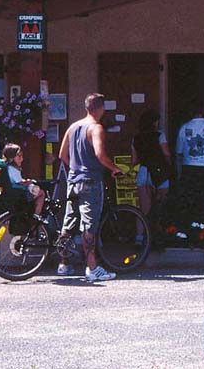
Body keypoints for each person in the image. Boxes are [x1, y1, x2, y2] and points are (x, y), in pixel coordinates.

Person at [57, 93, 124, 282]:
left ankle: (64, 264)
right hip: (90, 181)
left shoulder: (73, 127)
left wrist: (75, 169)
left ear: (87, 107)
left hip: (73, 180)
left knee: (68, 222)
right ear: (101, 108)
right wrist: (114, 168)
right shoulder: (96, 128)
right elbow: (100, 154)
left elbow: (62, 155)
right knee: (88, 224)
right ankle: (92, 268)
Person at [131, 109, 172, 243]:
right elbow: (166, 154)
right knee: (161, 205)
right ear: (154, 122)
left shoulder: (136, 138)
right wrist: (170, 167)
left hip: (144, 171)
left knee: (143, 209)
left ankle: (139, 237)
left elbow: (134, 161)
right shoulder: (160, 135)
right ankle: (159, 235)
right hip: (159, 171)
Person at [0, 143, 46, 223]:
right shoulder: (13, 169)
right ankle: (36, 216)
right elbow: (20, 183)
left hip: (16, 193)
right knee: (41, 193)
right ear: (11, 157)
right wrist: (28, 182)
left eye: (22, 156)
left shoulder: (8, 168)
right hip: (20, 195)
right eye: (19, 156)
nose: (22, 159)